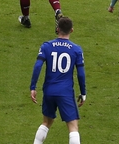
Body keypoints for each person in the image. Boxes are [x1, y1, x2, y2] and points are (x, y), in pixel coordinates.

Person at [29, 16, 86, 144]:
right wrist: (83, 93)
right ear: (71, 30)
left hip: (49, 91)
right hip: (65, 92)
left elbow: (37, 66)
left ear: (57, 29)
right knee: (73, 127)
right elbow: (81, 74)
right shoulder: (76, 49)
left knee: (46, 122)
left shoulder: (46, 46)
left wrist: (33, 87)